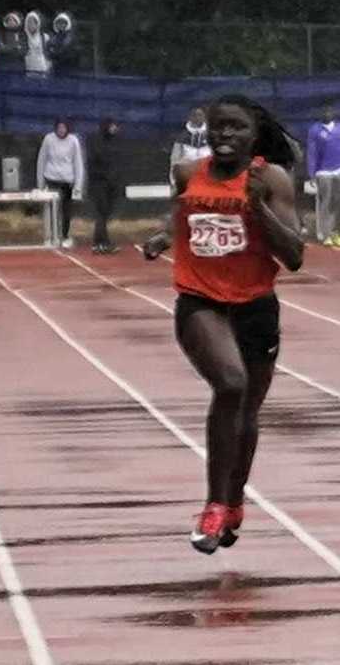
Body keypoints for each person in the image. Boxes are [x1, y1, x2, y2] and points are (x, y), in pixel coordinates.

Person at [142, 94, 303, 555]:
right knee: (231, 385)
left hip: (255, 307)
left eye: (236, 127)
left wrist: (258, 209)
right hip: (201, 303)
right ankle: (213, 505)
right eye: (219, 126)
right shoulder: (187, 173)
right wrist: (164, 235)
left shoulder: (270, 179)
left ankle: (234, 501)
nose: (225, 134)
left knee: (247, 412)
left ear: (254, 135)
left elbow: (293, 256)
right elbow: (181, 214)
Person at [36, 119, 85, 249]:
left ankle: (65, 236)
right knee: (51, 209)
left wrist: (78, 185)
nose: (61, 130)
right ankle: (50, 236)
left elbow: (78, 163)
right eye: (59, 128)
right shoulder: (48, 139)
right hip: (51, 178)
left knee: (66, 210)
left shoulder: (73, 141)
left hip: (67, 181)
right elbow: (42, 159)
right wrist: (40, 183)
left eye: (63, 128)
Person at [87, 118, 123, 254]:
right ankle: (101, 242)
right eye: (112, 126)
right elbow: (95, 162)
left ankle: (101, 242)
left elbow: (116, 164)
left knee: (105, 213)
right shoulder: (97, 142)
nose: (115, 128)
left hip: (111, 184)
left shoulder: (115, 142)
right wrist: (104, 176)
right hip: (99, 183)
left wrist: (115, 180)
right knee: (101, 213)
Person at [306, 104, 340, 245]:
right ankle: (325, 235)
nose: (327, 113)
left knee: (337, 203)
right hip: (323, 172)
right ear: (320, 113)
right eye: (324, 111)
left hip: (338, 170)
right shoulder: (315, 130)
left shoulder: (339, 128)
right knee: (325, 203)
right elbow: (312, 153)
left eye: (329, 111)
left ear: (334, 113)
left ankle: (336, 233)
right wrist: (311, 173)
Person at [169, 107, 211, 182]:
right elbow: (175, 161)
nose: (197, 117)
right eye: (194, 115)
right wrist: (174, 181)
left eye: (200, 115)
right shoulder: (181, 137)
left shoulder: (212, 136)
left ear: (204, 117)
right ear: (190, 117)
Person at [23, 10, 51, 76]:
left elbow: (49, 52)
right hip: (28, 69)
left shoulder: (45, 36)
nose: (31, 25)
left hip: (42, 69)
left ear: (37, 23)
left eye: (33, 22)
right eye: (29, 22)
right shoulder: (23, 36)